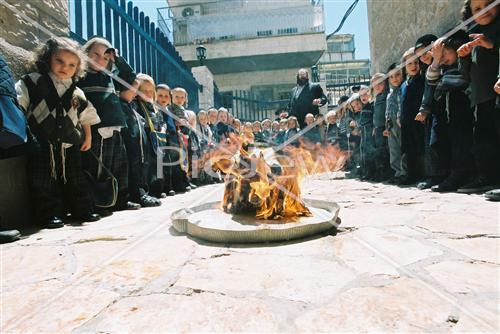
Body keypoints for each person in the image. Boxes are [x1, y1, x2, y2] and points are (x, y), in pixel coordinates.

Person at [16, 37, 101, 228]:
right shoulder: (32, 81)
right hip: (41, 141)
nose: (65, 67)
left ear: (78, 68)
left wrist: (87, 136)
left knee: (76, 178)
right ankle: (48, 214)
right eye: (59, 61)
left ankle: (83, 209)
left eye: (72, 64)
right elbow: (20, 103)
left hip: (70, 143)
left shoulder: (77, 91)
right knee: (41, 180)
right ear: (47, 58)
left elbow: (86, 116)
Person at [78, 37, 140, 214]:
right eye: (95, 54)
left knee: (120, 166)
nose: (100, 60)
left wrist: (118, 59)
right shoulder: (81, 76)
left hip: (115, 128)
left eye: (105, 58)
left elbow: (131, 77)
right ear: (85, 53)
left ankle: (121, 199)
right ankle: (99, 203)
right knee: (98, 168)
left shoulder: (110, 77)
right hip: (97, 129)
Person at [456, 0, 500, 193]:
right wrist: (463, 56)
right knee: (484, 142)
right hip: (481, 99)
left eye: (489, 4)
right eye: (478, 9)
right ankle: (488, 178)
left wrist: (491, 45)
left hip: (496, 94)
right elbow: (465, 75)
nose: (485, 11)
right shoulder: (471, 37)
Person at [427, 31, 475, 192]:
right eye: (440, 54)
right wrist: (436, 60)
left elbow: (462, 80)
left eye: (445, 52)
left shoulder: (463, 63)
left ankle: (461, 175)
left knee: (461, 145)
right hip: (447, 115)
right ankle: (450, 175)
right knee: (448, 144)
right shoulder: (444, 69)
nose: (442, 58)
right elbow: (431, 80)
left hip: (462, 111)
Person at [118, 78, 161, 207]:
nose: (147, 93)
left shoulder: (151, 107)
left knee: (148, 168)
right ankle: (138, 193)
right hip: (137, 142)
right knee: (137, 166)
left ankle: (146, 191)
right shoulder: (134, 104)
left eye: (150, 91)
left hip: (148, 142)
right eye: (143, 90)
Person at [400, 47, 426, 185]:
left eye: (416, 62)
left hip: (418, 120)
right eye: (409, 63)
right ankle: (410, 175)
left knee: (420, 147)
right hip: (406, 122)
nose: (413, 66)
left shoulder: (422, 80)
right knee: (408, 149)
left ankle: (424, 174)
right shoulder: (404, 85)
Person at [385, 63, 407, 184]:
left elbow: (401, 106)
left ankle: (404, 172)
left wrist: (400, 118)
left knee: (401, 147)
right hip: (391, 124)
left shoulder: (402, 90)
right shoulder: (390, 94)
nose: (395, 79)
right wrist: (386, 126)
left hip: (399, 122)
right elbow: (387, 111)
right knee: (393, 149)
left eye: (397, 75)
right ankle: (397, 172)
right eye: (391, 77)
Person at [371, 73, 391, 181]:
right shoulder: (377, 98)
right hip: (378, 129)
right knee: (379, 151)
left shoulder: (387, 96)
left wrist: (387, 127)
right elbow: (376, 114)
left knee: (385, 151)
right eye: (375, 84)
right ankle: (380, 171)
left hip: (384, 128)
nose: (377, 86)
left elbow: (387, 113)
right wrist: (374, 127)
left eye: (380, 83)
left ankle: (387, 172)